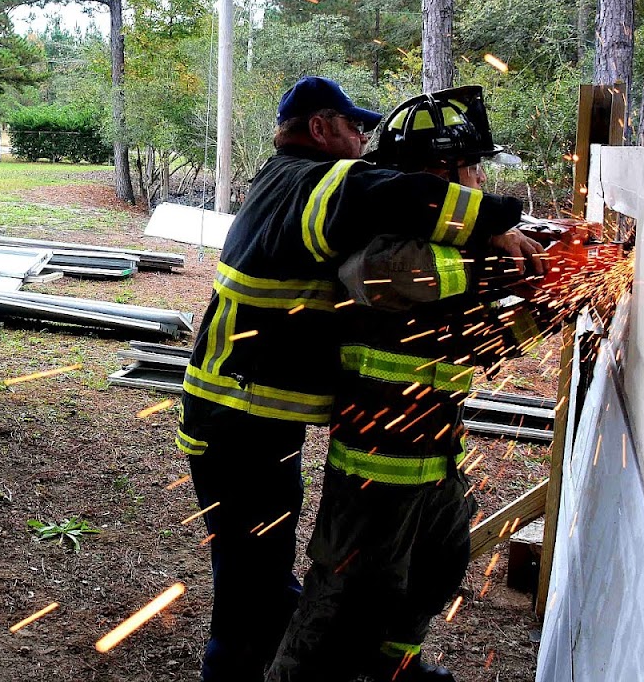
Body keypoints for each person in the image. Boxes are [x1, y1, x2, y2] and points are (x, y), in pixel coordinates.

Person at [174, 76, 542, 682]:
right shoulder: (319, 182)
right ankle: (239, 669)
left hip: (248, 415)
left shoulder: (287, 181)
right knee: (249, 585)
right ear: (319, 128)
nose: (362, 140)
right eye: (353, 127)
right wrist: (497, 222)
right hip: (238, 422)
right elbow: (403, 200)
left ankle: (298, 647)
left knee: (264, 571)